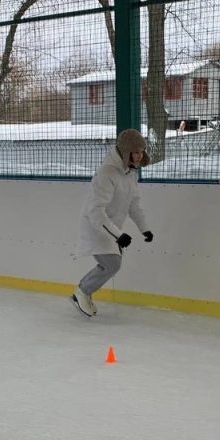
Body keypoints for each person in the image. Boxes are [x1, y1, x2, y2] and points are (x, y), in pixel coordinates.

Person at [71, 128, 154, 317]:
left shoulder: (128, 173)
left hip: (110, 228)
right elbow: (95, 211)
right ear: (126, 152)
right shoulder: (106, 173)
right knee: (112, 264)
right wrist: (118, 234)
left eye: (142, 151)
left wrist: (144, 228)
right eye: (136, 151)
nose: (140, 156)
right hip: (96, 226)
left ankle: (83, 292)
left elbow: (134, 205)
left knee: (112, 264)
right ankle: (82, 292)